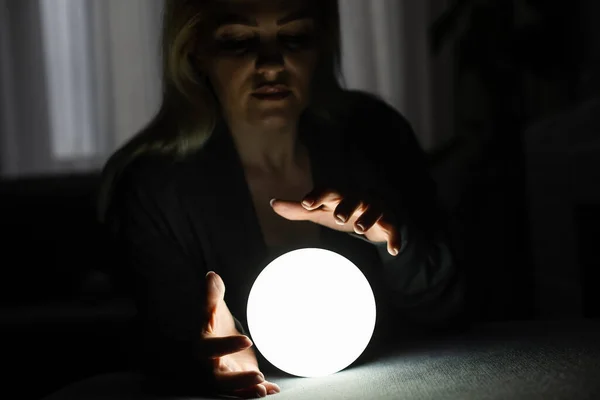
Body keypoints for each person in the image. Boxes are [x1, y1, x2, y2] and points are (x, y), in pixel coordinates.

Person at [98, 0, 464, 398]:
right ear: (194, 51)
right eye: (238, 41)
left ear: (321, 45)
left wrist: (393, 244)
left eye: (295, 37)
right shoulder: (156, 187)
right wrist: (200, 355)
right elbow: (156, 348)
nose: (271, 64)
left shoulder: (376, 136)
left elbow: (450, 310)